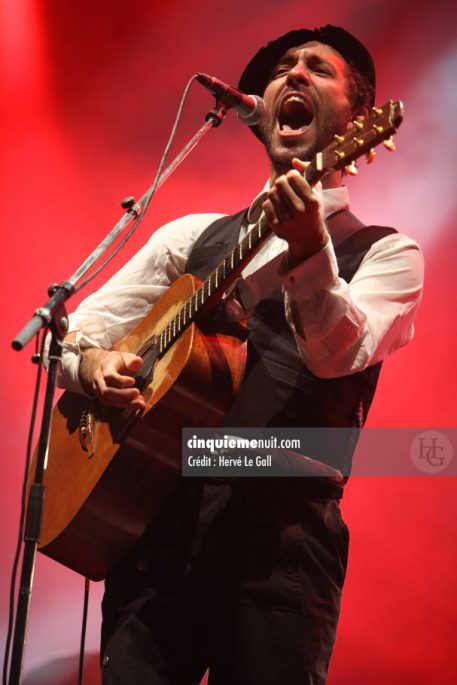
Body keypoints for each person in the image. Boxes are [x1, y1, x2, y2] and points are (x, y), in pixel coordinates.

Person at [58, 25, 423, 685]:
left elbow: (339, 353)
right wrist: (89, 366)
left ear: (360, 123)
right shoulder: (193, 237)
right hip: (152, 533)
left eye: (318, 67)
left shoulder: (387, 254)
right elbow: (72, 329)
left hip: (277, 551)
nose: (294, 74)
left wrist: (310, 245)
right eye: (283, 67)